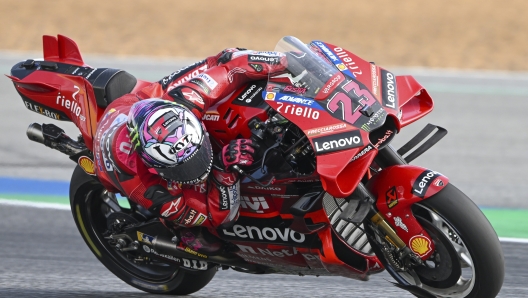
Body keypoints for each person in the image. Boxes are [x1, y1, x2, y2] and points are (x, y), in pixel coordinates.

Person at [93, 48, 288, 254]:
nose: (197, 172)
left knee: (227, 57)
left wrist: (284, 60)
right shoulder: (141, 183)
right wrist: (223, 171)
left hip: (142, 101)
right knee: (201, 233)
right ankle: (176, 227)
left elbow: (232, 70)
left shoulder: (187, 99)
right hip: (111, 158)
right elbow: (220, 216)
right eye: (184, 168)